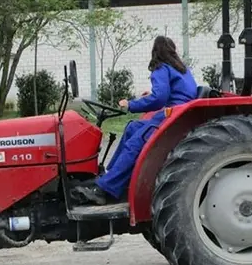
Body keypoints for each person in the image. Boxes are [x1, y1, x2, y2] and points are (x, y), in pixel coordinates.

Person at [73, 36, 198, 206]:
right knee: (133, 127)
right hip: (177, 115)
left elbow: (160, 98)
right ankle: (111, 177)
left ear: (155, 52)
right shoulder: (182, 69)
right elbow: (175, 93)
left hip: (171, 117)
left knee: (136, 142)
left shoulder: (161, 68)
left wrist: (130, 104)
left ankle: (105, 189)